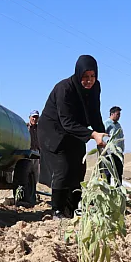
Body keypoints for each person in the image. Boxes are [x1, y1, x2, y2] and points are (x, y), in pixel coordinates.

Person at [38, 55, 107, 219]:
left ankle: (75, 209)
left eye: (92, 76)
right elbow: (66, 121)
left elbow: (94, 113)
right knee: (64, 167)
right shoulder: (65, 88)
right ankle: (57, 210)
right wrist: (92, 134)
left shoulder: (95, 87)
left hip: (75, 129)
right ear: (78, 74)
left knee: (79, 167)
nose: (89, 81)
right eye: (85, 77)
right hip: (53, 130)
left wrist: (102, 135)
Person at [103, 106, 125, 183]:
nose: (119, 116)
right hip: (109, 153)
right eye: (117, 114)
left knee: (118, 173)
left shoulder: (118, 125)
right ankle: (107, 192)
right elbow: (102, 136)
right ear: (112, 114)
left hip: (118, 152)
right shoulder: (106, 123)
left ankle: (118, 191)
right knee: (107, 173)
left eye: (119, 114)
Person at [27, 110, 41, 192]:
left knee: (35, 174)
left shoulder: (39, 129)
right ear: (30, 117)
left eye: (36, 117)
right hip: (28, 152)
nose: (34, 119)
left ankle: (32, 191)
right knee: (27, 171)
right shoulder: (25, 127)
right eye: (33, 117)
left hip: (36, 153)